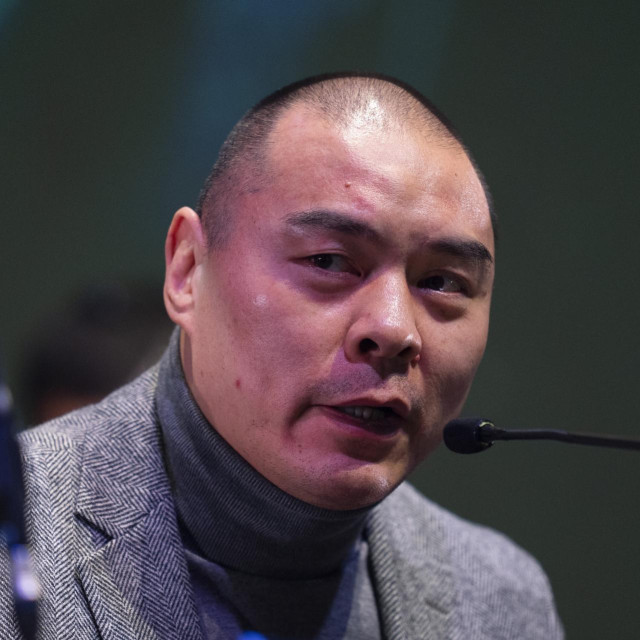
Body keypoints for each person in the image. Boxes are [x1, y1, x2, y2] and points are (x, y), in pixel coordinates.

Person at [0, 73, 563, 639]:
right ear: (188, 270)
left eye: (441, 282)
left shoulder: (503, 599)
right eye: (329, 262)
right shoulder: (15, 546)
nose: (394, 329)